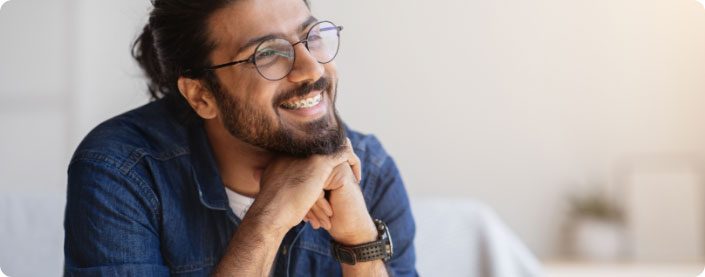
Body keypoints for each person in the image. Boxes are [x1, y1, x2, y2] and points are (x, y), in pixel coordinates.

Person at [63, 0, 417, 276]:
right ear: (202, 96)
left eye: (312, 37)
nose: (313, 69)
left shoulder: (369, 171)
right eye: (267, 54)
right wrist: (266, 221)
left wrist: (359, 244)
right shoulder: (121, 171)